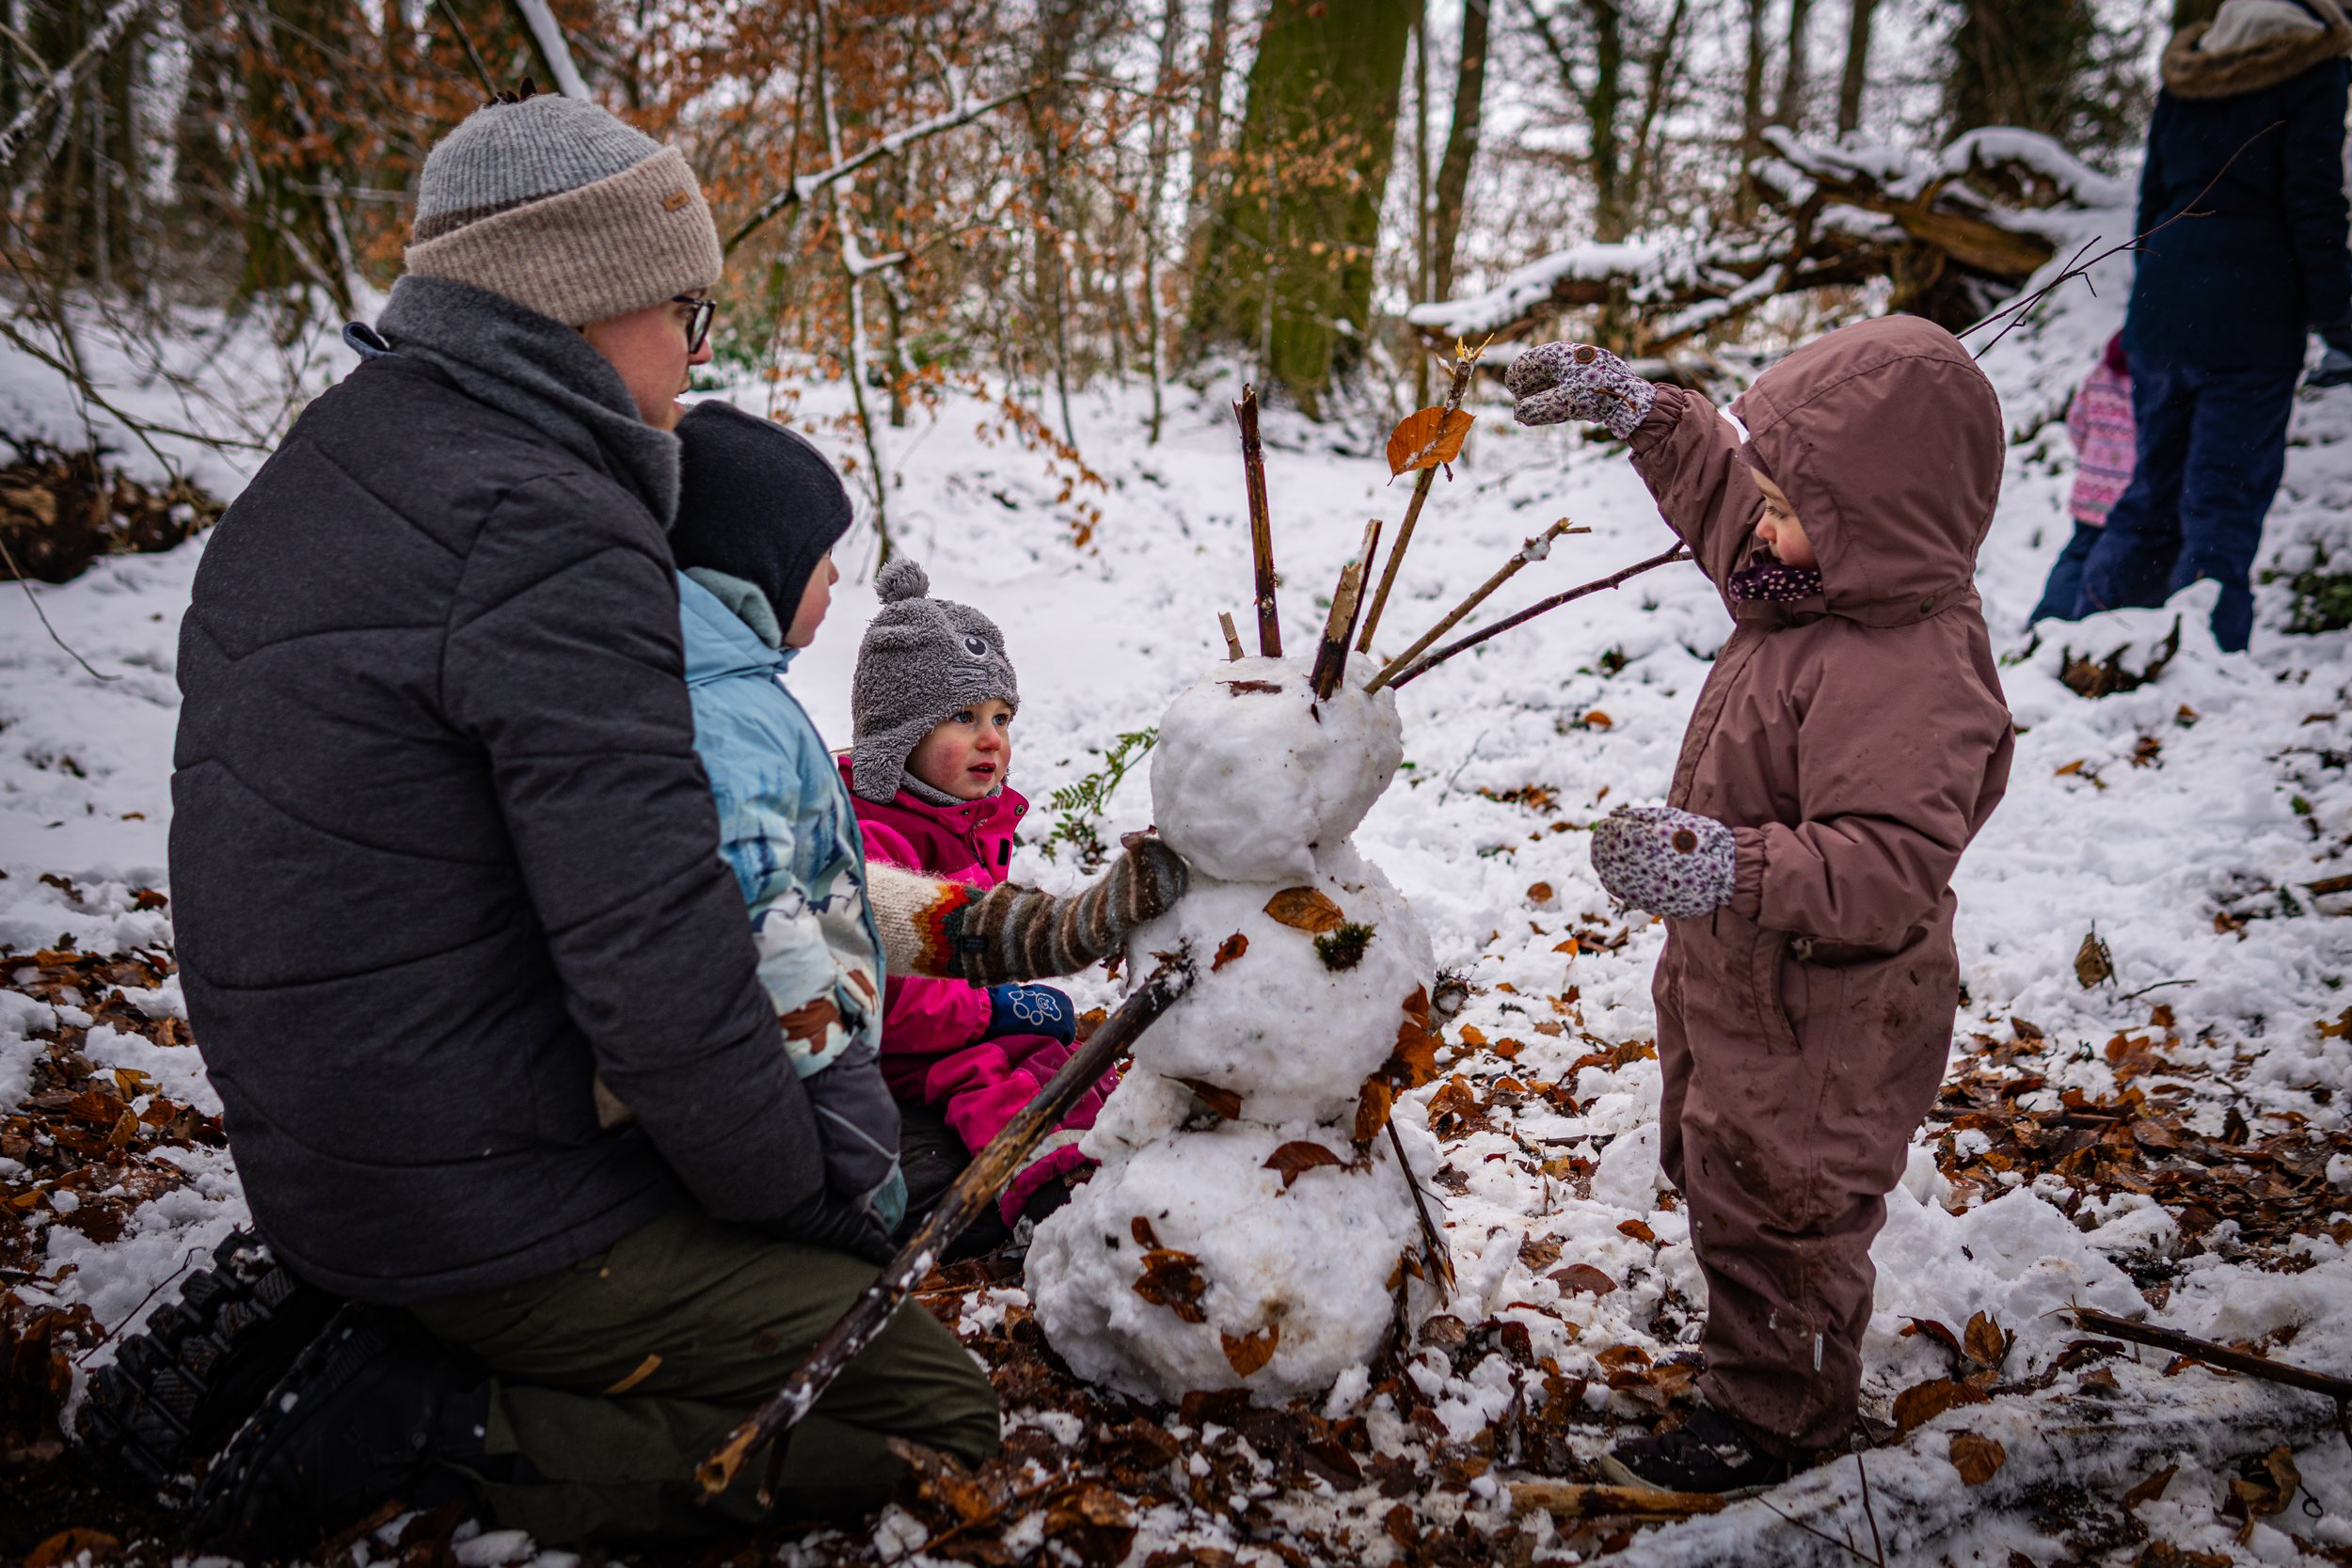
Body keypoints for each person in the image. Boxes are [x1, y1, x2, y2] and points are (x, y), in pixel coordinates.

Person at [166, 91, 1182, 1548]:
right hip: (482, 1197)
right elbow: (663, 956)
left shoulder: (332, 468)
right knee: (919, 1404)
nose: (700, 357)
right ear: (589, 295)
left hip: (338, 1146)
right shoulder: (551, 528)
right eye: (690, 311)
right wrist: (809, 1205)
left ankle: (417, 1320)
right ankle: (430, 1418)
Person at [1503, 319, 2014, 1492]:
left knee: (1789, 1204)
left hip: (1832, 1007)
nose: (1766, 522)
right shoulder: (1813, 580)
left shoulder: (1911, 668)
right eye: (1777, 495)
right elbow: (1730, 501)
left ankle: (1778, 1416)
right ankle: (1758, 1357)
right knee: (1723, 1153)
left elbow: (1888, 863)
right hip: (1750, 977)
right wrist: (1641, 410)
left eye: (1794, 506)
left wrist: (1721, 865)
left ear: (1873, 521)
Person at [844, 559, 1115, 1258]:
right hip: (889, 1051)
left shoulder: (968, 818)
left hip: (951, 1025)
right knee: (995, 1075)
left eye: (1000, 716)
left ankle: (1110, 1152)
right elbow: (893, 1004)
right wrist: (993, 1010)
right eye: (963, 717)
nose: (991, 737)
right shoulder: (874, 839)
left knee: (1066, 1057)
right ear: (897, 735)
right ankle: (1049, 1196)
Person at [2074, 0, 2352, 650]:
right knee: (2220, 505)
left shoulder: (2192, 69)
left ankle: (2091, 647)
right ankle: (2202, 664)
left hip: (2162, 317)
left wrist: (2150, 300)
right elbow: (2315, 203)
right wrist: (2340, 320)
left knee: (2150, 494)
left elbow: (2152, 202)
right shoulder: (2315, 65)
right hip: (2250, 325)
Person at [2029, 333, 2137, 625]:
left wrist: (2090, 456)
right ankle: (2091, 621)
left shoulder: (2099, 376)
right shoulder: (2152, 381)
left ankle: (2050, 617)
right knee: (2114, 560)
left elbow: (2076, 423)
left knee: (2078, 554)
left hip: (2091, 489)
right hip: (2129, 492)